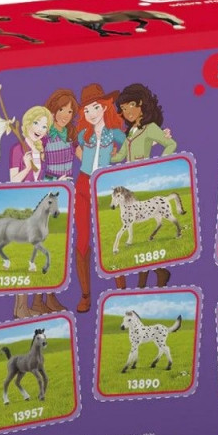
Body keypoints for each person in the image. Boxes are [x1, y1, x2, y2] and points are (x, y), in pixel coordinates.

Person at [112, 83, 177, 289]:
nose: (127, 112)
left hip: (143, 182)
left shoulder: (150, 128)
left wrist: (157, 164)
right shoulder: (130, 132)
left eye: (130, 105)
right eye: (123, 109)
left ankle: (146, 282)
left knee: (140, 231)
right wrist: (108, 155)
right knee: (137, 232)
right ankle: (158, 274)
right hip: (131, 182)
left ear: (141, 104)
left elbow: (171, 144)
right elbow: (121, 156)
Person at [74, 83, 126, 312]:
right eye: (86, 110)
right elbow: (77, 150)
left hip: (105, 186)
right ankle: (85, 294)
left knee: (110, 235)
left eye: (95, 107)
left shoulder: (115, 133)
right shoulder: (82, 135)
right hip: (83, 184)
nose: (91, 113)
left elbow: (130, 149)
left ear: (105, 107)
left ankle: (121, 290)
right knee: (83, 239)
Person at [30, 88, 79, 314]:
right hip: (48, 195)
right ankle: (38, 300)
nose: (65, 115)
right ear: (52, 110)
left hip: (66, 196)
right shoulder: (45, 134)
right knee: (44, 244)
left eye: (70, 111)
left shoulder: (70, 134)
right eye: (61, 110)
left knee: (59, 247)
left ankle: (49, 296)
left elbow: (84, 157)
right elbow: (36, 167)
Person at [8, 106, 51, 319]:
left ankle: (22, 308)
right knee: (25, 255)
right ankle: (21, 308)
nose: (40, 129)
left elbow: (39, 180)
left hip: (35, 209)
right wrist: (26, 167)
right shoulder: (18, 149)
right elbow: (12, 181)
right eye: (37, 123)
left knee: (32, 255)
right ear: (27, 123)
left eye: (44, 126)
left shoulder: (39, 149)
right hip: (21, 207)